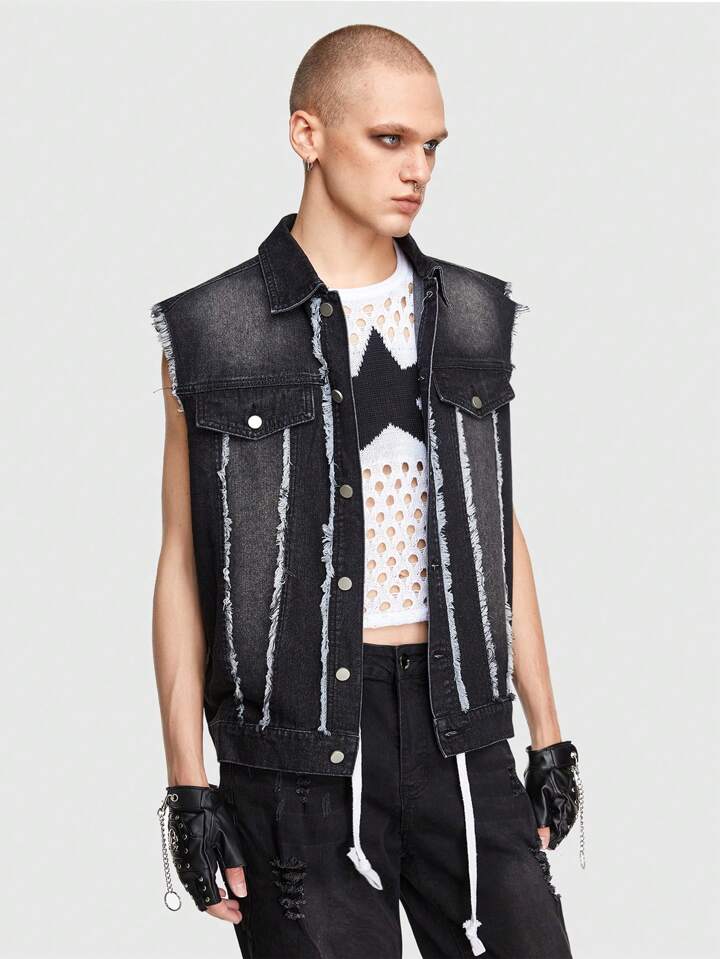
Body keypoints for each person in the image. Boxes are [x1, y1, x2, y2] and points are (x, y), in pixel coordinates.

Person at [151, 24, 584, 959]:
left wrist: (548, 733)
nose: (416, 168)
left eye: (430, 145)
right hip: (294, 758)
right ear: (307, 134)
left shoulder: (473, 313)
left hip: (460, 729)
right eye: (389, 139)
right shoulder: (212, 331)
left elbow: (496, 529)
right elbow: (184, 559)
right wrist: (188, 784)